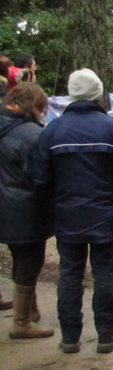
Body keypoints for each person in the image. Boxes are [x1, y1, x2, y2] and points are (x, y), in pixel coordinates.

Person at [31, 69, 113, 354]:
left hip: (68, 215)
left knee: (69, 274)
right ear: (98, 93)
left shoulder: (52, 130)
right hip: (104, 214)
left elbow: (40, 177)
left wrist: (57, 202)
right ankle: (106, 334)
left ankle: (70, 337)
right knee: (104, 273)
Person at [0, 83, 54, 337]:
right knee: (30, 260)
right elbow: (41, 177)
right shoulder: (33, 135)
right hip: (23, 207)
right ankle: (22, 323)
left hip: (6, 204)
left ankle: (30, 311)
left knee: (20, 257)